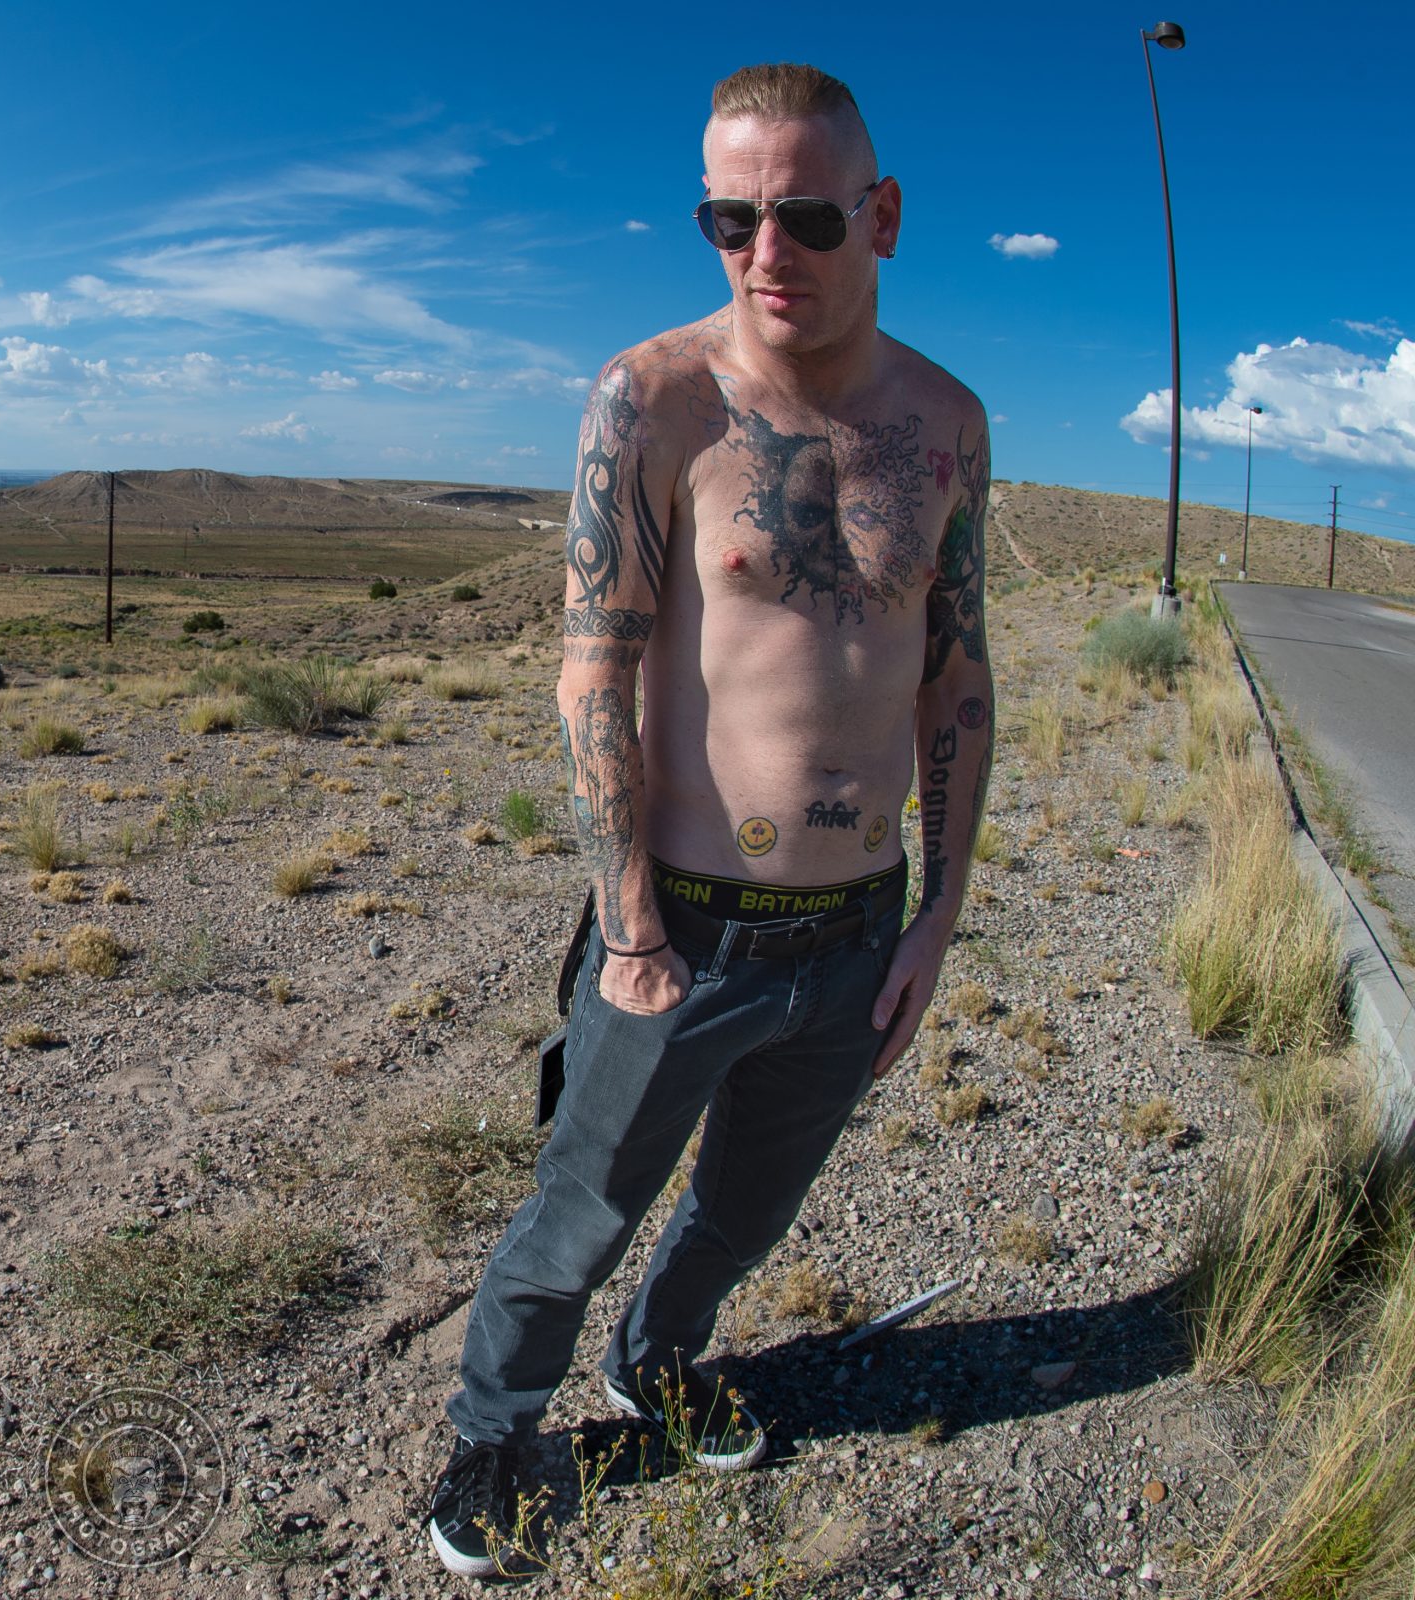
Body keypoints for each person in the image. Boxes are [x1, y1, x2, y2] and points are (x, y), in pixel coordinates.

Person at [426, 61, 996, 1579]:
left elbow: (955, 679)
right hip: (682, 929)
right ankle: (495, 1432)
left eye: (807, 216)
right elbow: (594, 670)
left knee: (747, 1213)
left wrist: (936, 919)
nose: (766, 251)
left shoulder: (946, 424)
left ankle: (659, 1360)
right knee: (580, 1214)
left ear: (882, 215)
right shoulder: (655, 398)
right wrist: (627, 931)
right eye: (728, 219)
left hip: (857, 926)